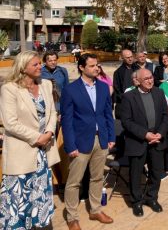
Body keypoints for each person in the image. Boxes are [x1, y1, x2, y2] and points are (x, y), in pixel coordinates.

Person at [0, 51, 60, 229]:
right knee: (17, 203)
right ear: (23, 68)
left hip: (43, 154)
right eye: (35, 64)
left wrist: (48, 133)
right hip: (21, 154)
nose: (40, 66)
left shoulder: (46, 85)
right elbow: (10, 123)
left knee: (38, 199)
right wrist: (37, 138)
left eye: (39, 63)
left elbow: (52, 113)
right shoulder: (9, 89)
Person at [61, 53, 115, 230]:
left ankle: (95, 209)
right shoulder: (71, 89)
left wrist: (111, 137)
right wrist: (70, 145)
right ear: (82, 68)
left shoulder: (102, 87)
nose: (96, 68)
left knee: (98, 177)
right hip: (80, 142)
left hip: (101, 140)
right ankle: (72, 217)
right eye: (92, 66)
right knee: (74, 181)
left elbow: (108, 113)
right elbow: (67, 120)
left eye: (97, 65)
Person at [120, 68, 168, 217]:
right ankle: (136, 202)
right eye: (146, 78)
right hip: (138, 141)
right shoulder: (129, 97)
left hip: (157, 140)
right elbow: (126, 122)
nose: (150, 80)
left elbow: (165, 115)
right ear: (138, 81)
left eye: (151, 77)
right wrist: (145, 134)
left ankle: (152, 198)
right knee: (136, 174)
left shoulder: (159, 92)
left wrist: (160, 133)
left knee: (156, 172)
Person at [113, 49, 138, 119]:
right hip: (125, 103)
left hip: (139, 102)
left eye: (131, 57)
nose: (130, 59)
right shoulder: (118, 72)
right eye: (127, 57)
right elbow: (117, 89)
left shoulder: (138, 69)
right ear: (122, 58)